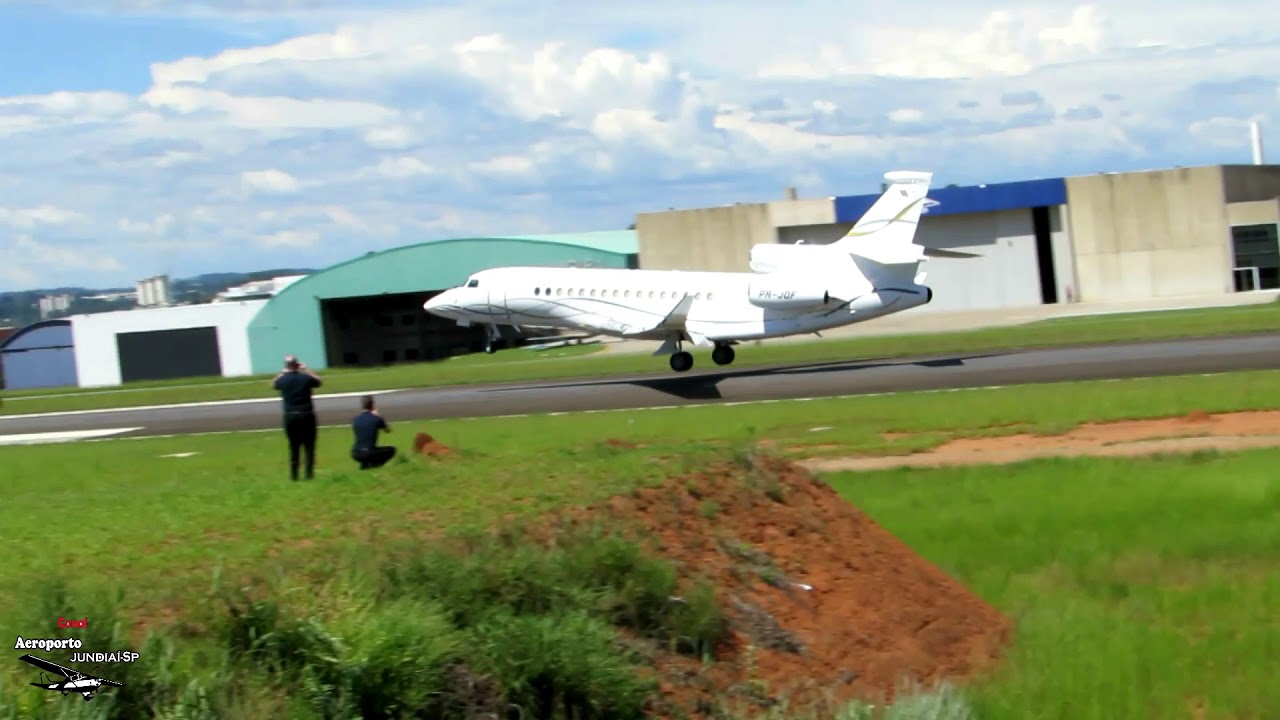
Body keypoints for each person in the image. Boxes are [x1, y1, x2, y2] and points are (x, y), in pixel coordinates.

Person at [272, 355, 322, 481]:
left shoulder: (283, 380)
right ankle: (309, 474)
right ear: (297, 365)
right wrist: (306, 370)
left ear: (286, 366)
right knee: (309, 445)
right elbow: (319, 381)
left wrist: (281, 373)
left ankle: (294, 475)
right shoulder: (305, 378)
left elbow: (273, 384)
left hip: (290, 416)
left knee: (294, 446)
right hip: (306, 414)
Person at [351, 394, 396, 470]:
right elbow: (388, 430)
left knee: (368, 454)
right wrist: (378, 416)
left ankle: (365, 466)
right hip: (370, 452)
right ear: (372, 405)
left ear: (362, 405)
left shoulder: (355, 419)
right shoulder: (376, 419)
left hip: (356, 453)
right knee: (392, 450)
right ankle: (375, 466)